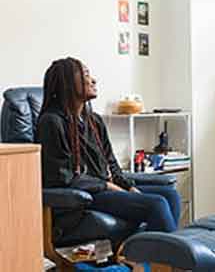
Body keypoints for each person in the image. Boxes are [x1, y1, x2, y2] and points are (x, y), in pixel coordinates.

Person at [37, 57, 181, 232]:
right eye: (85, 75)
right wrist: (108, 186)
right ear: (67, 83)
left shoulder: (94, 121)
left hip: (105, 190)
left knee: (170, 195)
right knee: (156, 204)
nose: (93, 80)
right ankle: (169, 257)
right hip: (84, 198)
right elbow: (62, 179)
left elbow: (112, 164)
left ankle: (151, 254)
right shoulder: (51, 122)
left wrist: (129, 187)